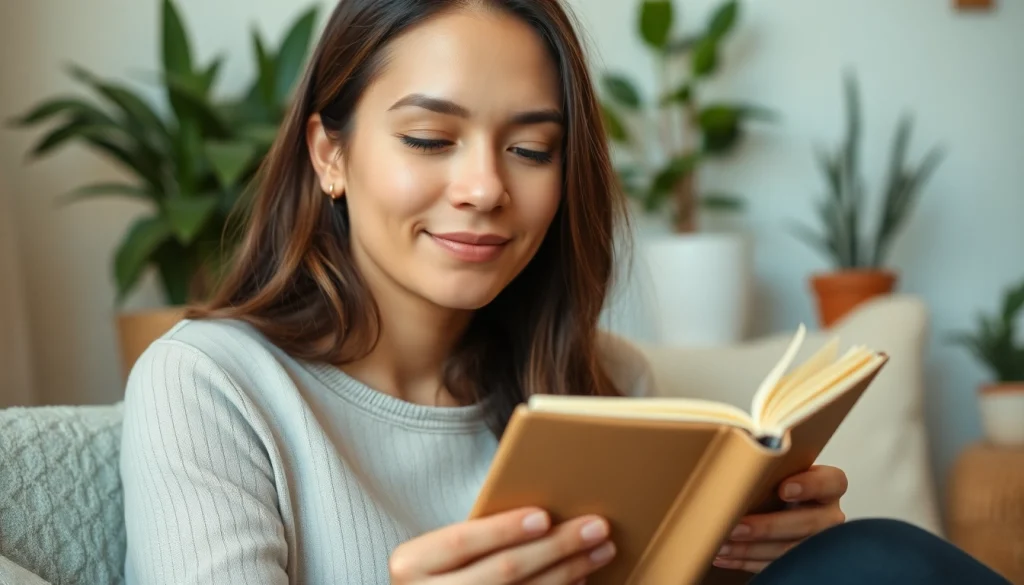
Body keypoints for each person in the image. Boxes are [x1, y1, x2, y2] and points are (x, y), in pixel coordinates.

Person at [118, 0, 1010, 584]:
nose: (484, 188)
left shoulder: (604, 381)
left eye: (531, 149)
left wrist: (763, 551)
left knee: (865, 555)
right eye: (431, 137)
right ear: (330, 153)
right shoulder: (210, 384)